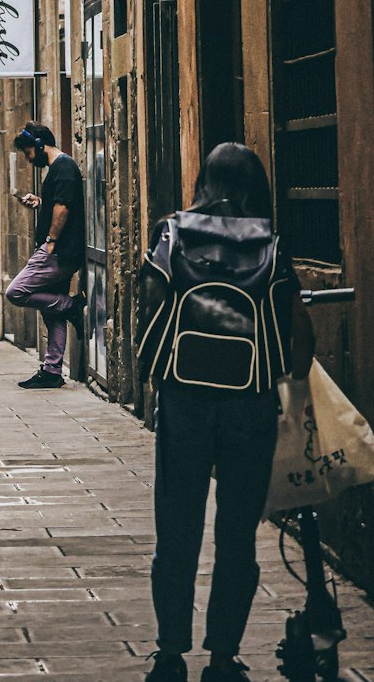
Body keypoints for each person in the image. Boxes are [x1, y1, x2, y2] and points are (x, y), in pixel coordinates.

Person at [142, 143, 315, 682]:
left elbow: (148, 308)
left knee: (176, 527)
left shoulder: (172, 234)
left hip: (183, 401)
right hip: (249, 405)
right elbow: (298, 343)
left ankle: (170, 653)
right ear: (253, 189)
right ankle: (222, 657)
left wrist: (159, 383)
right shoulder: (270, 243)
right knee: (237, 532)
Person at [6, 123, 86, 389]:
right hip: (59, 252)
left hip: (57, 253)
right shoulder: (59, 170)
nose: (28, 159)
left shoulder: (63, 167)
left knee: (16, 292)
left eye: (28, 152)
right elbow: (59, 203)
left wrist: (51, 242)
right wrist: (41, 201)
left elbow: (63, 209)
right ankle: (52, 371)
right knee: (51, 313)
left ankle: (71, 305)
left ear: (40, 145)